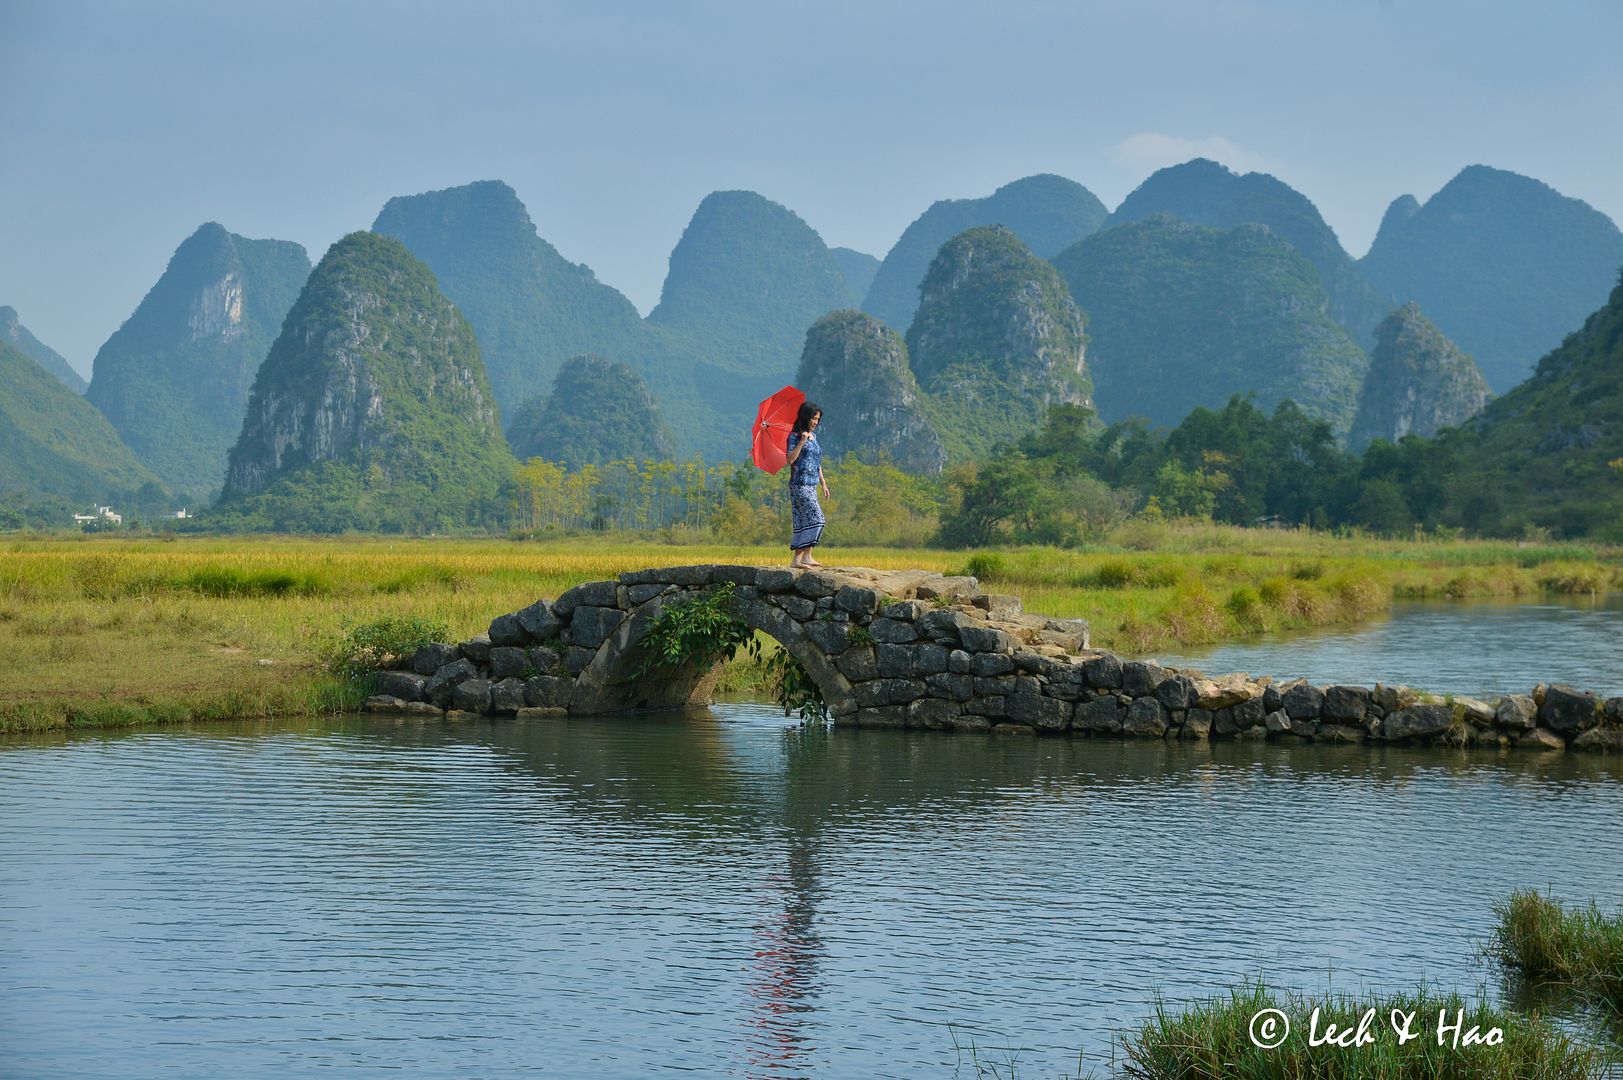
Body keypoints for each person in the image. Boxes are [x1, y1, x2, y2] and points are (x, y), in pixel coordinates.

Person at [784, 402, 830, 568]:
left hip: (812, 485)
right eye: (813, 418)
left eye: (818, 419)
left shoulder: (814, 437)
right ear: (806, 417)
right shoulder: (795, 436)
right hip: (799, 484)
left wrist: (823, 482)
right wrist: (802, 441)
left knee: (804, 520)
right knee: (817, 518)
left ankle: (806, 557)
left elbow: (816, 461)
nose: (816, 422)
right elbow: (790, 459)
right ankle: (797, 559)